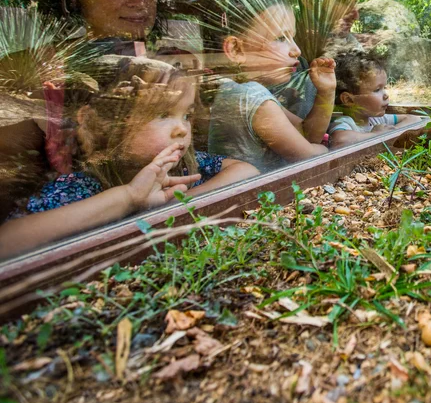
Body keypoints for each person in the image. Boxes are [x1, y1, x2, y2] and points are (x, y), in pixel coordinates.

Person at [0, 65, 259, 259]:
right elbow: (10, 240)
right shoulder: (82, 187)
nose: (182, 128)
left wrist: (181, 204)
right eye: (162, 114)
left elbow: (246, 170)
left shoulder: (185, 167)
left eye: (187, 115)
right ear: (110, 127)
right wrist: (129, 198)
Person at [207, 0, 336, 172]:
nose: (297, 50)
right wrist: (328, 150)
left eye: (293, 37)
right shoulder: (247, 96)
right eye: (281, 38)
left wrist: (326, 92)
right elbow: (308, 156)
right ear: (236, 49)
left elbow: (307, 135)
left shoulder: (248, 92)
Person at [327, 50, 420, 150]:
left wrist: (393, 131)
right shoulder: (344, 122)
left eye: (385, 88)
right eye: (377, 90)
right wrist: (377, 134)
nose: (386, 95)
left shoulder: (376, 119)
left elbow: (414, 119)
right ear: (349, 100)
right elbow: (340, 140)